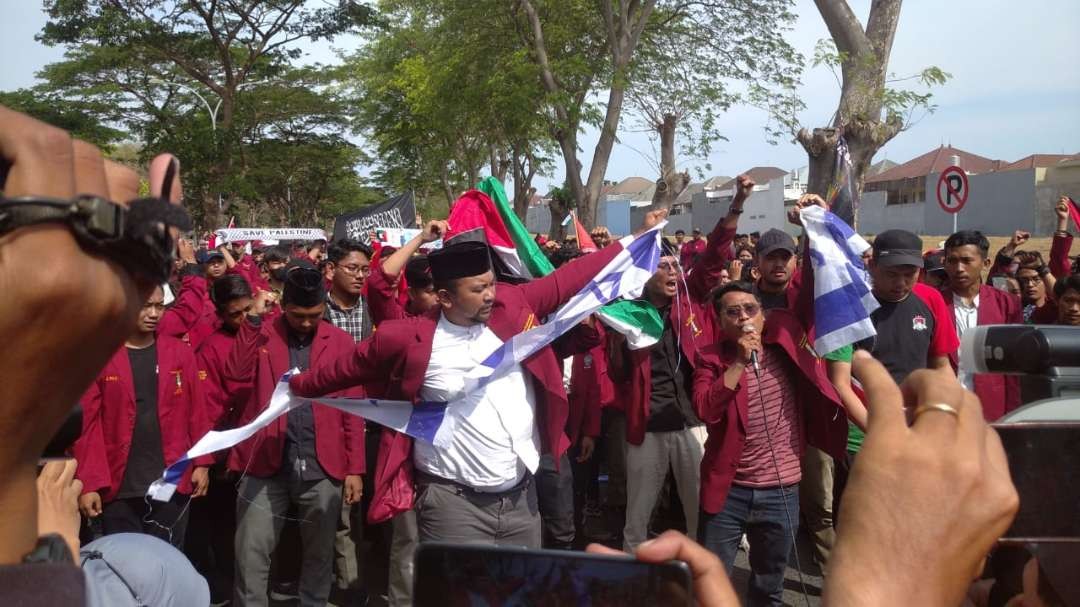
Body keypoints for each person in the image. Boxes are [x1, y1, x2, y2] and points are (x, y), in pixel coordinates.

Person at [289, 209, 669, 551]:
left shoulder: (513, 304)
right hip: (451, 505)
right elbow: (344, 369)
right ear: (445, 298)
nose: (491, 295)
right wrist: (296, 387)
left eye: (490, 283)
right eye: (478, 289)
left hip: (522, 501)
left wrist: (636, 236)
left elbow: (572, 277)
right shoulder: (408, 337)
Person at [608, 175, 754, 551]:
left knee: (699, 511)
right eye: (664, 267)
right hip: (648, 427)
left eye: (676, 267)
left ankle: (697, 578)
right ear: (646, 274)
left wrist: (737, 203)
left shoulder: (690, 305)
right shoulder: (627, 316)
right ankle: (631, 580)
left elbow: (714, 257)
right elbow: (618, 373)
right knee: (637, 515)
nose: (674, 273)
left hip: (693, 425)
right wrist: (621, 340)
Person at [692, 282, 847, 605]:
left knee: (768, 583)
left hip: (781, 490)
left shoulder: (787, 350)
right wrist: (739, 363)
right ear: (720, 322)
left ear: (764, 316)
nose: (744, 318)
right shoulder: (710, 359)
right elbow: (705, 408)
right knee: (711, 581)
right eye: (733, 312)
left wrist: (810, 233)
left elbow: (808, 292)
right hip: (729, 490)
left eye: (751, 309)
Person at [227, 266, 366, 607]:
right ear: (283, 306)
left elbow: (353, 406)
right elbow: (235, 374)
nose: (306, 323)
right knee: (251, 554)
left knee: (319, 555)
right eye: (298, 316)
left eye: (314, 316)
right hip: (265, 464)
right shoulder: (261, 334)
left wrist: (355, 468)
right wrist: (253, 323)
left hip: (323, 465)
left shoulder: (341, 342)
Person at [74, 286, 211, 548]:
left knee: (168, 561)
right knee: (123, 565)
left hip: (171, 479)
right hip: (119, 485)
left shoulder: (179, 352)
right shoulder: (98, 355)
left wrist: (202, 463)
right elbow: (87, 426)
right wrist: (89, 483)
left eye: (160, 306)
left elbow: (197, 411)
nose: (153, 313)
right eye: (145, 305)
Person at [189, 274, 268, 602]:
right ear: (219, 314)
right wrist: (206, 460)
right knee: (224, 524)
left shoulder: (267, 332)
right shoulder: (210, 350)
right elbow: (206, 409)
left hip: (264, 445)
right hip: (226, 450)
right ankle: (223, 585)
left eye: (247, 309)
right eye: (235, 314)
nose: (243, 318)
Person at [321, 238, 375, 600]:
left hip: (371, 419)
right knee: (331, 510)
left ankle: (355, 580)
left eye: (364, 270)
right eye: (352, 268)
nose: (359, 276)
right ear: (330, 270)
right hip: (328, 419)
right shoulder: (313, 310)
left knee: (360, 507)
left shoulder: (375, 310)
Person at [941, 230, 1022, 420]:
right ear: (944, 263)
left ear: (985, 264)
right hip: (944, 408)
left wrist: (1013, 416)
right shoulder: (933, 303)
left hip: (991, 408)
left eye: (967, 261)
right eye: (952, 261)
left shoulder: (1007, 304)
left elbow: (1013, 368)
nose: (959, 268)